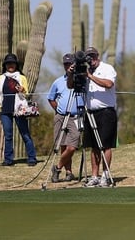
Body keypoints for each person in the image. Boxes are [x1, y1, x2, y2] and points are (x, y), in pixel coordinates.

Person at [77, 47, 118, 188]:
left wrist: (90, 77)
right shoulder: (85, 71)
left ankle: (105, 175)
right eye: (88, 57)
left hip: (106, 112)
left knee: (105, 145)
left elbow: (108, 84)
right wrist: (73, 74)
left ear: (97, 56)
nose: (91, 59)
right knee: (93, 146)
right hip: (90, 112)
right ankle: (94, 176)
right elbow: (72, 86)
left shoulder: (107, 68)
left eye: (93, 56)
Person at [0, 53, 37, 167]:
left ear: (16, 65)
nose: (10, 65)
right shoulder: (1, 78)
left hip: (19, 109)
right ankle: (8, 159)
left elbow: (26, 94)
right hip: (5, 109)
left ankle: (32, 158)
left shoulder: (22, 78)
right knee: (8, 135)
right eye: (8, 63)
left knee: (25, 134)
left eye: (12, 63)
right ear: (5, 65)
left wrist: (22, 89)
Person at [47, 53, 84, 183]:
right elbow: (51, 98)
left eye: (71, 63)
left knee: (72, 147)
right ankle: (69, 172)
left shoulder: (81, 79)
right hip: (61, 116)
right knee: (63, 145)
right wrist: (58, 110)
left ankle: (57, 168)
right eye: (66, 64)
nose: (69, 66)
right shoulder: (58, 81)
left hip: (76, 117)